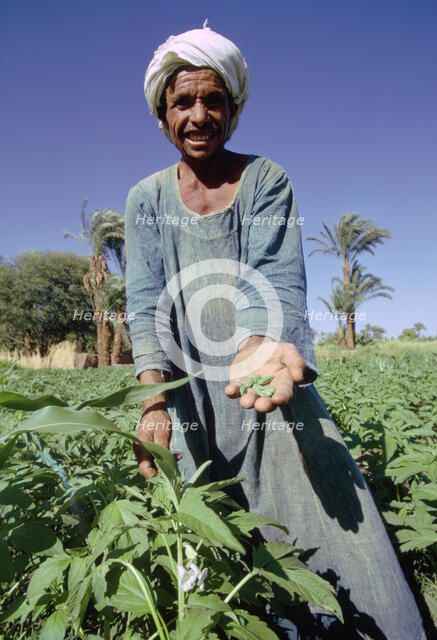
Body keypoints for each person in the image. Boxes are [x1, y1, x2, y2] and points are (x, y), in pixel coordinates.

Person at [124, 25, 426, 639]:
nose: (199, 115)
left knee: (337, 536)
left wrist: (258, 345)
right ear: (163, 114)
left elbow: (278, 276)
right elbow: (145, 300)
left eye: (214, 101)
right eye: (183, 102)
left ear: (233, 109)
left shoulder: (265, 179)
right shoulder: (145, 199)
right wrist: (153, 402)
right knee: (203, 553)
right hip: (186, 400)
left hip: (264, 383)